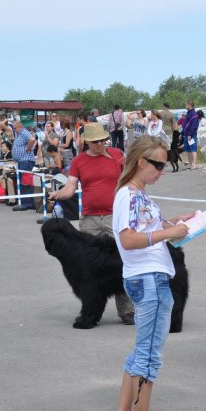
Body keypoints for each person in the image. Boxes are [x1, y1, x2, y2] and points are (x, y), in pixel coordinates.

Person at [110, 135, 190, 411]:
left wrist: (174, 224)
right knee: (149, 354)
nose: (162, 170)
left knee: (141, 349)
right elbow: (128, 239)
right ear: (141, 162)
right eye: (158, 164)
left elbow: (145, 227)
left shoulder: (134, 194)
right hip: (149, 279)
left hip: (145, 277)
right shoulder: (130, 195)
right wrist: (166, 234)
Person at [49, 122, 136, 323]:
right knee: (88, 268)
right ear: (86, 141)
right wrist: (58, 194)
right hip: (89, 219)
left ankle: (126, 310)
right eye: (96, 141)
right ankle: (91, 311)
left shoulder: (117, 155)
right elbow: (70, 188)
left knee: (122, 264)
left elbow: (131, 180)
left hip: (116, 216)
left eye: (103, 140)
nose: (100, 144)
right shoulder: (79, 161)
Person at [5, 119, 37, 211]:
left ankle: (26, 203)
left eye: (15, 128)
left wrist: (28, 148)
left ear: (20, 126)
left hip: (25, 161)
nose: (14, 129)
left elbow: (32, 139)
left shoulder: (24, 132)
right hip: (22, 161)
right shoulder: (20, 133)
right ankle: (28, 202)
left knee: (25, 183)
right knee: (25, 182)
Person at [182, 100, 200, 170]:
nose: (185, 106)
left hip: (191, 135)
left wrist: (190, 134)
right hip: (186, 135)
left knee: (193, 149)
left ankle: (194, 164)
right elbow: (185, 124)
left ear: (189, 105)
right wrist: (182, 133)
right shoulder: (188, 113)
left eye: (186, 104)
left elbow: (194, 126)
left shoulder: (194, 114)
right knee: (188, 150)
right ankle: (190, 164)